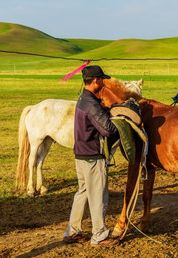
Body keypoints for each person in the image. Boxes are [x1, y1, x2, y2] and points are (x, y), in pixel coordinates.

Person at [63, 65, 120, 247]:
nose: (104, 82)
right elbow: (108, 130)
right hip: (93, 157)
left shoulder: (83, 99)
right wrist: (123, 124)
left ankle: (73, 231)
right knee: (97, 196)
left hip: (80, 155)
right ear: (95, 81)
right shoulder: (92, 104)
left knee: (83, 193)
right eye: (102, 79)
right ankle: (99, 236)